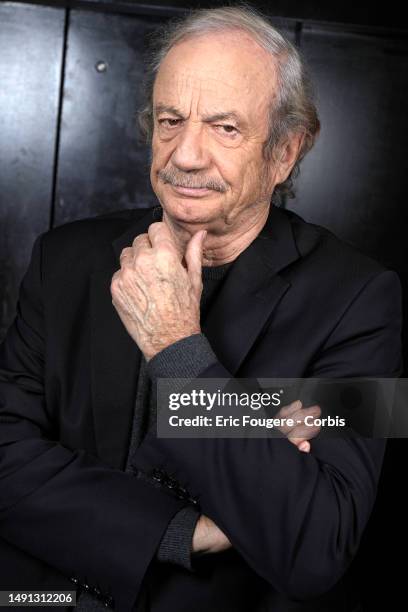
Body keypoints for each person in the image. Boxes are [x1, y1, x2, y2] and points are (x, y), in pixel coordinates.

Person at [0, 6, 402, 612]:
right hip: (41, 598)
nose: (185, 155)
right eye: (170, 120)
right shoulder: (64, 258)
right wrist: (184, 528)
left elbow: (316, 543)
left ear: (286, 151)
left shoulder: (363, 299)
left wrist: (177, 350)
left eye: (225, 127)